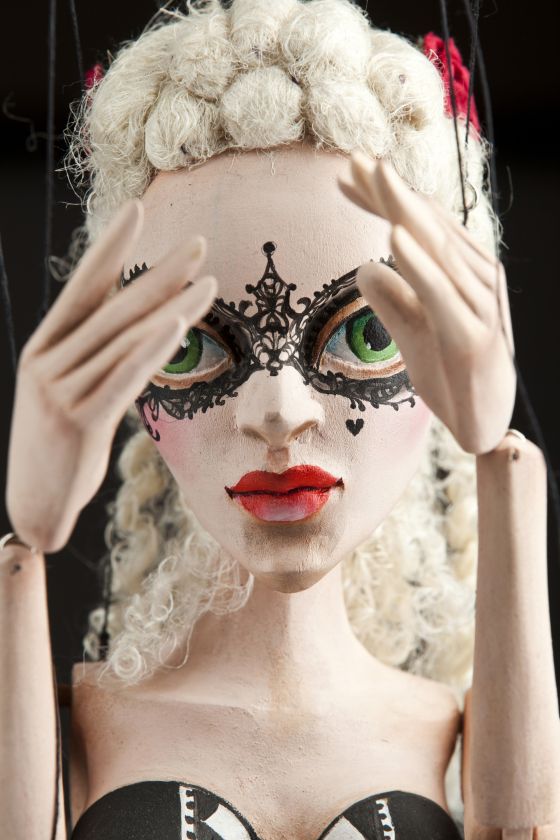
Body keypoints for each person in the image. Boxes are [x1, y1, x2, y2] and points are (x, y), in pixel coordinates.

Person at [1, 1, 559, 838]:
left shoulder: (449, 733)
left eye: (367, 336)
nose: (278, 415)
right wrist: (27, 543)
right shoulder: (82, 725)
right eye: (189, 347)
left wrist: (498, 451)